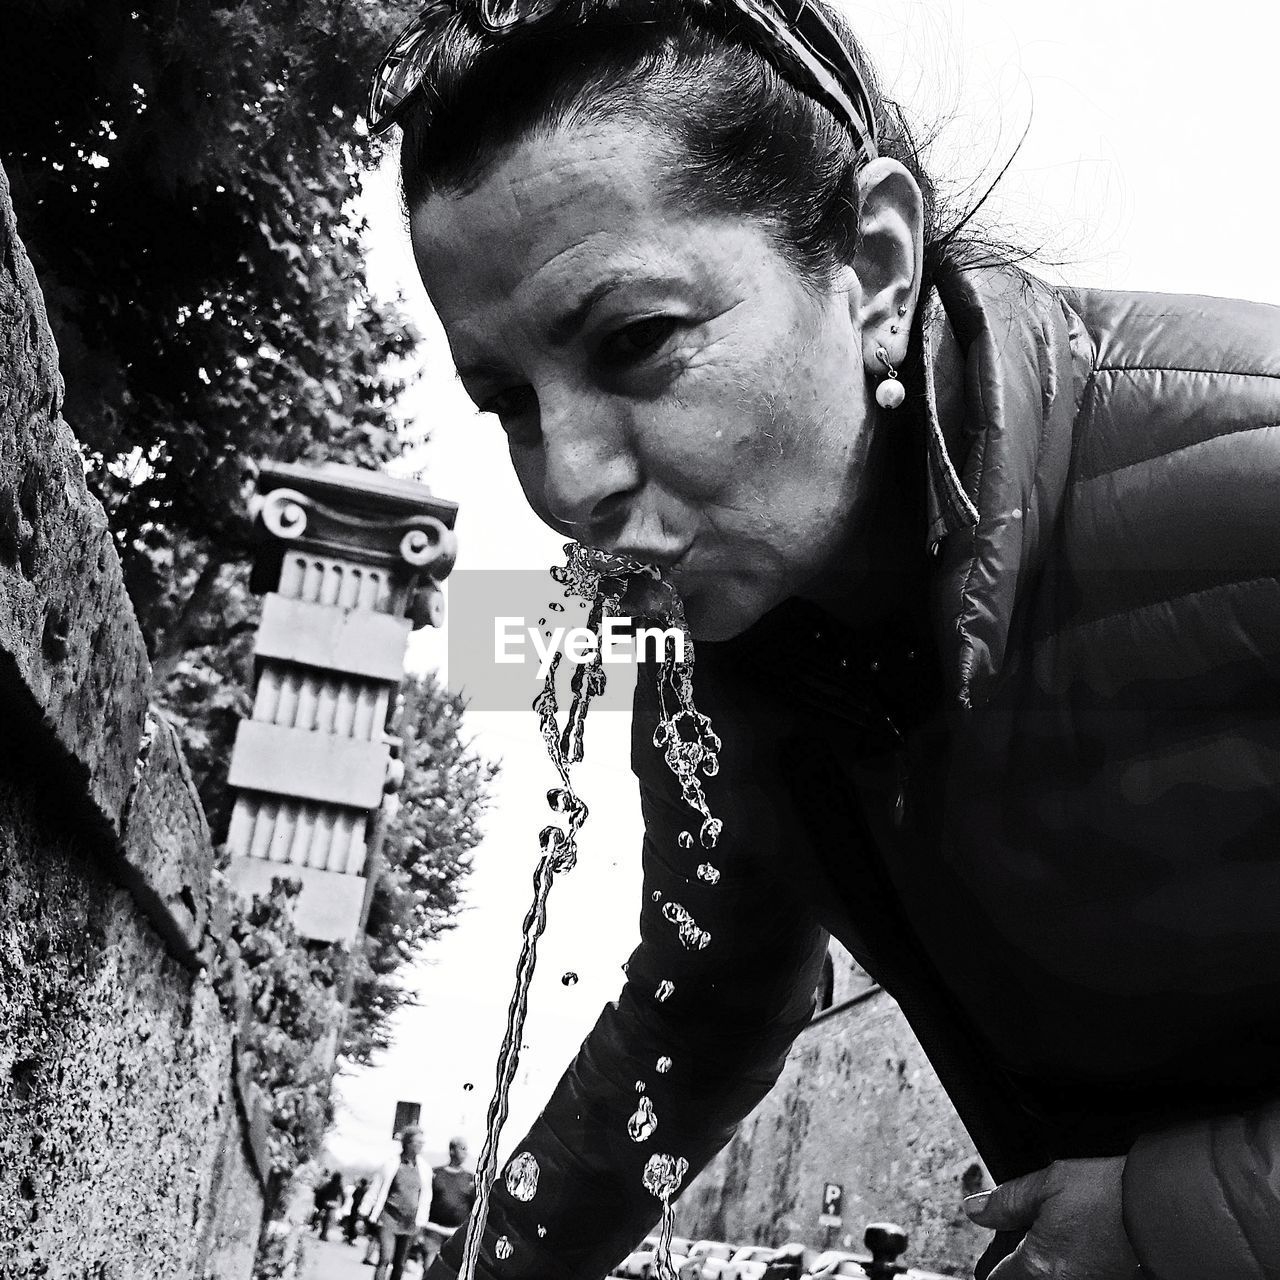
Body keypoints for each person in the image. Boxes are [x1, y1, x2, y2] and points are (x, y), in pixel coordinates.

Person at [366, 1, 1280, 1278]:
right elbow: (695, 1017)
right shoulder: (724, 663)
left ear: (876, 264)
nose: (565, 482)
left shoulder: (1245, 480)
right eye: (508, 400)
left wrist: (1171, 1214)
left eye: (633, 342)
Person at [366, 1126, 433, 1280]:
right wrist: (364, 1213)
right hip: (388, 1218)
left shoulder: (425, 1169)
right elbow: (376, 1188)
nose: (421, 1145)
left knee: (400, 1264)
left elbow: (426, 1197)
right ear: (408, 1143)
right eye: (417, 1142)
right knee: (385, 1258)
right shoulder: (392, 1163)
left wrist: (422, 1222)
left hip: (410, 1223)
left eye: (423, 1142)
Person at [422, 1138, 477, 1268]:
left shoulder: (471, 1179)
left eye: (466, 1150)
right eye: (462, 1149)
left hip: (456, 1233)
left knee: (449, 1270)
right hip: (433, 1229)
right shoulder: (435, 1174)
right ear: (452, 1151)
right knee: (429, 1267)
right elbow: (424, 1200)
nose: (465, 1153)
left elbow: (474, 1207)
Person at [312, 1170, 345, 1241]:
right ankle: (323, 1234)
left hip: (325, 1203)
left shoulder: (328, 1184)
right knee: (328, 1220)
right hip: (332, 1204)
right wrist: (342, 1204)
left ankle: (322, 1233)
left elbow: (321, 1192)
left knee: (325, 1219)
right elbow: (342, 1196)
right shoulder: (339, 1186)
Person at [345, 1176, 373, 1245]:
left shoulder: (359, 1189)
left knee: (352, 1223)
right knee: (354, 1224)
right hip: (358, 1209)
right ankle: (351, 1238)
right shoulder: (364, 1191)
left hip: (354, 1208)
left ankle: (349, 1237)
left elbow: (354, 1196)